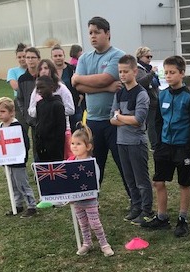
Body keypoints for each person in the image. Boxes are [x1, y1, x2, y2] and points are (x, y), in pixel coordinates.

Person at [141, 56, 190, 238]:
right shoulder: (162, 95)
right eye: (166, 72)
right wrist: (157, 144)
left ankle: (183, 219)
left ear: (182, 73)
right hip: (164, 146)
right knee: (158, 182)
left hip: (182, 147)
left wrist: (189, 149)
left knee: (184, 183)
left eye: (172, 72)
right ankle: (162, 217)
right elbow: (157, 121)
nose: (168, 76)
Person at [72, 17, 128, 191]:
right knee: (94, 165)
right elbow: (77, 86)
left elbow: (106, 78)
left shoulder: (117, 55)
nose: (93, 36)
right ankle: (91, 199)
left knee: (124, 164)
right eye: (90, 33)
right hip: (92, 121)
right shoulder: (84, 58)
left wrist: (80, 79)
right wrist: (105, 87)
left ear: (107, 33)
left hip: (115, 121)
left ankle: (137, 202)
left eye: (97, 32)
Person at [110, 54, 153, 225]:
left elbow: (138, 121)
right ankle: (135, 206)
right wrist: (123, 117)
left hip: (136, 143)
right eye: (120, 71)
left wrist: (120, 117)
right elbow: (111, 119)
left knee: (141, 179)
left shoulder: (141, 94)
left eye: (125, 71)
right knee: (129, 179)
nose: (122, 75)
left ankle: (147, 209)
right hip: (121, 142)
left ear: (135, 71)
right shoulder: (119, 94)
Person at [68, 125, 114, 257]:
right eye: (72, 143)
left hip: (90, 200)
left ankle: (104, 244)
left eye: (78, 144)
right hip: (76, 201)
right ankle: (87, 243)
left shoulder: (92, 163)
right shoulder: (70, 162)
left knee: (95, 223)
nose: (74, 146)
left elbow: (95, 181)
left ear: (88, 147)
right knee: (82, 223)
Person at [0, 97, 37, 218]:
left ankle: (31, 206)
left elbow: (25, 143)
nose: (0, 114)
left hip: (18, 162)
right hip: (6, 162)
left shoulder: (17, 126)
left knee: (22, 184)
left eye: (3, 111)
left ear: (11, 112)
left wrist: (21, 157)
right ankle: (17, 205)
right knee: (12, 184)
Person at [27, 59, 75, 159]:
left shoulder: (61, 88)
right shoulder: (37, 89)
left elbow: (71, 109)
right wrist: (43, 110)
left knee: (63, 158)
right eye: (40, 69)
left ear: (51, 70)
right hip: (43, 131)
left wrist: (54, 111)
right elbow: (31, 110)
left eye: (46, 68)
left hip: (61, 130)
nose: (43, 71)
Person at [33, 75, 66, 162]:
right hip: (41, 145)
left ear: (51, 87)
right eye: (37, 88)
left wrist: (55, 145)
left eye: (42, 88)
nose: (39, 91)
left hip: (54, 147)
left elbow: (61, 128)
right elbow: (38, 123)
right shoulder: (39, 104)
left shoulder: (57, 105)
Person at [16, 46, 40, 159]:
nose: (30, 60)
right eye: (28, 57)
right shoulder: (22, 79)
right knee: (30, 141)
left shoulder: (43, 76)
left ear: (38, 59)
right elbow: (20, 98)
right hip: (30, 116)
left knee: (41, 143)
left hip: (43, 115)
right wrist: (24, 113)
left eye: (33, 57)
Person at [52, 44, 82, 133]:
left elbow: (80, 82)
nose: (58, 58)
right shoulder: (49, 72)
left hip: (74, 107)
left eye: (60, 55)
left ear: (64, 56)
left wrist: (80, 96)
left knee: (77, 133)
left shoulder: (72, 69)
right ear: (52, 57)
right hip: (56, 109)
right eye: (55, 56)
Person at [135, 46, 160, 151]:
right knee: (151, 125)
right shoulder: (138, 69)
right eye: (147, 56)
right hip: (147, 101)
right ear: (140, 57)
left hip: (153, 99)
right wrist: (152, 73)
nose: (149, 59)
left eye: (151, 56)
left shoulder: (146, 68)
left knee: (153, 123)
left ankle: (156, 143)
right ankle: (154, 146)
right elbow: (141, 82)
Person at [6, 43, 27, 133]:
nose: (22, 59)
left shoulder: (35, 69)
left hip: (34, 100)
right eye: (19, 57)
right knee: (21, 129)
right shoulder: (13, 71)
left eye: (24, 56)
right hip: (20, 102)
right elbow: (15, 86)